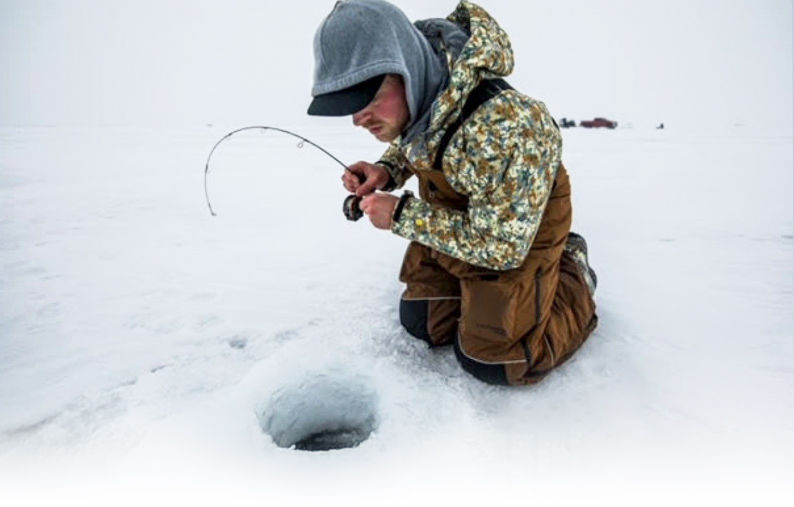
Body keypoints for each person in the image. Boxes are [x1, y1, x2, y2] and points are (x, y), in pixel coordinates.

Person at [308, 0, 598, 386]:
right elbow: (421, 138)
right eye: (351, 106)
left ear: (406, 70)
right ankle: (484, 296)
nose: (358, 119)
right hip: (463, 220)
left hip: (519, 232)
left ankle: (572, 269)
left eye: (368, 100)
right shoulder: (426, 90)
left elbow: (501, 246)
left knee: (497, 358)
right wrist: (387, 170)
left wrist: (401, 216)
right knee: (424, 321)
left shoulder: (506, 126)